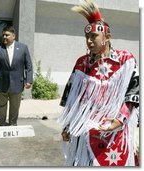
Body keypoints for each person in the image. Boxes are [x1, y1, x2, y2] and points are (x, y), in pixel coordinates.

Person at [59, 0, 139, 166]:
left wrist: (120, 119)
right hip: (86, 131)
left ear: (107, 37)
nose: (88, 41)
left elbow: (133, 94)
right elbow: (72, 98)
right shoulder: (82, 63)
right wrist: (67, 126)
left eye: (93, 36)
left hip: (114, 130)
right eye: (86, 37)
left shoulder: (125, 60)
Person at [0, 26, 33, 126]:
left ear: (13, 36)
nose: (4, 37)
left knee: (15, 106)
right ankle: (0, 123)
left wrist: (28, 80)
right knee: (1, 106)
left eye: (7, 35)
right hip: (1, 82)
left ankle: (13, 124)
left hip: (17, 82)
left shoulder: (23, 47)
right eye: (3, 35)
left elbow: (28, 65)